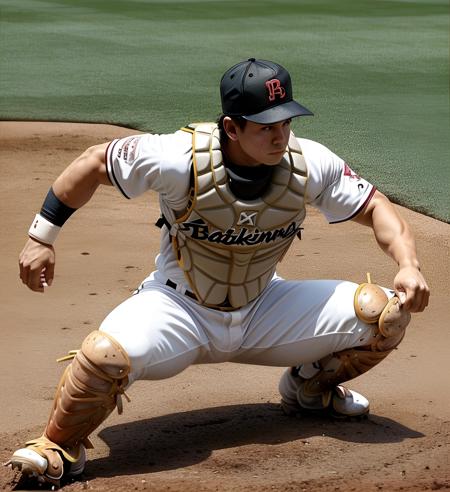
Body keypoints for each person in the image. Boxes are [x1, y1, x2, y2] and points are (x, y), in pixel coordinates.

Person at [7, 58, 429, 486]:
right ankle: (58, 445)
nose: (280, 134)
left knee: (383, 315)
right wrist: (42, 237)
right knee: (104, 355)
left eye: (285, 121)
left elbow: (375, 206)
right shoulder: (177, 158)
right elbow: (95, 162)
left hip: (263, 307)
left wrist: (408, 265)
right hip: (178, 310)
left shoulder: (308, 163)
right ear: (231, 128)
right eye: (265, 126)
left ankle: (309, 389)